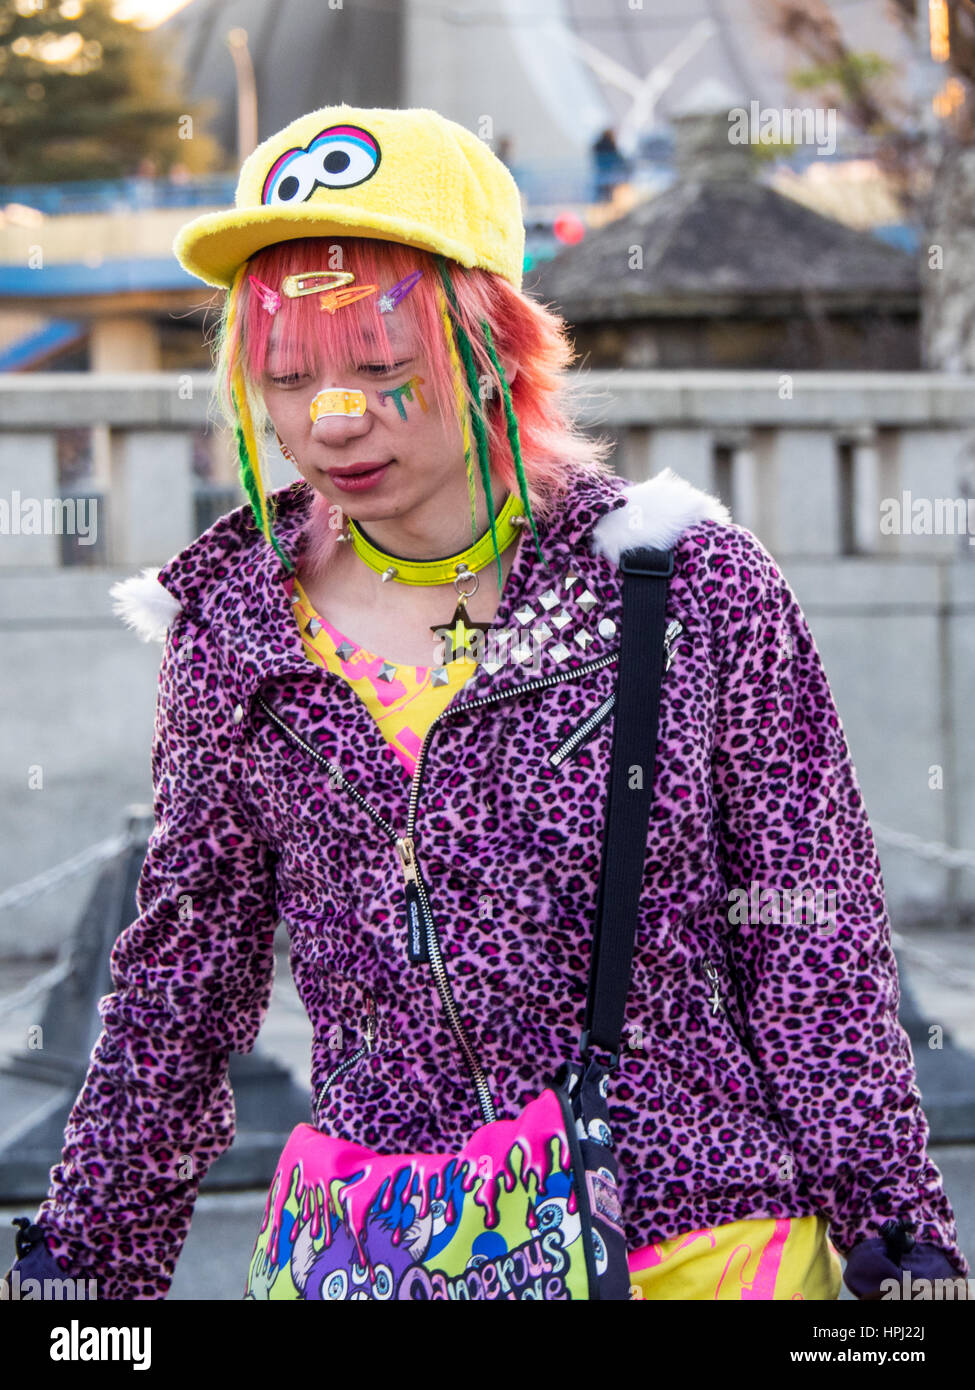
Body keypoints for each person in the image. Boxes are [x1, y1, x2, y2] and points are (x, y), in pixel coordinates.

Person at [5, 103, 969, 1302]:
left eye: (382, 367)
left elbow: (810, 936)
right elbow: (185, 977)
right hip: (373, 1253)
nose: (333, 420)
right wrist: (86, 1265)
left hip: (696, 1244)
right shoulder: (236, 626)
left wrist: (898, 1233)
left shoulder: (682, 583)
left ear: (495, 345)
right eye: (290, 376)